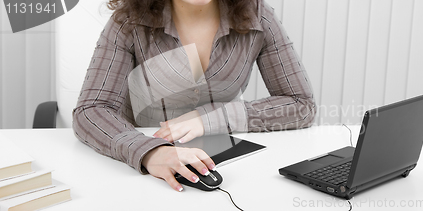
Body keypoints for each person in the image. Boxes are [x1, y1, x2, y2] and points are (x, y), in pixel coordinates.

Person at [73, 0, 316, 192]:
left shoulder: (257, 14)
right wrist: (150, 151)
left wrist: (210, 118)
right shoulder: (130, 19)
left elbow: (301, 104)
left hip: (232, 169)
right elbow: (91, 110)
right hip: (141, 175)